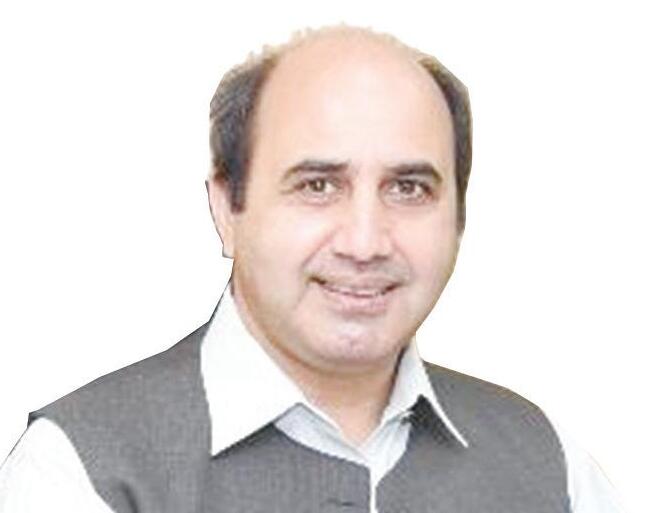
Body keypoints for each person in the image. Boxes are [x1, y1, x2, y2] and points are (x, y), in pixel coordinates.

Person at [0, 25, 625, 513]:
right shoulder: (80, 472)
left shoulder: (551, 467)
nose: (365, 242)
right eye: (318, 185)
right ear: (227, 208)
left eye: (408, 188)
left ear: (460, 216)